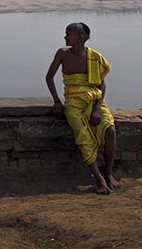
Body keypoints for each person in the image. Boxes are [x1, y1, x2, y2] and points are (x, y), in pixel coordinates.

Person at [45, 22, 119, 194]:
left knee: (110, 130)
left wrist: (97, 108)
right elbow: (49, 77)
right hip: (73, 101)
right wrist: (57, 101)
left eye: (68, 34)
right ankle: (98, 178)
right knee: (83, 135)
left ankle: (109, 173)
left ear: (81, 37)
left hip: (94, 99)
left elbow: (102, 84)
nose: (65, 37)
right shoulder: (62, 54)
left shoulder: (94, 57)